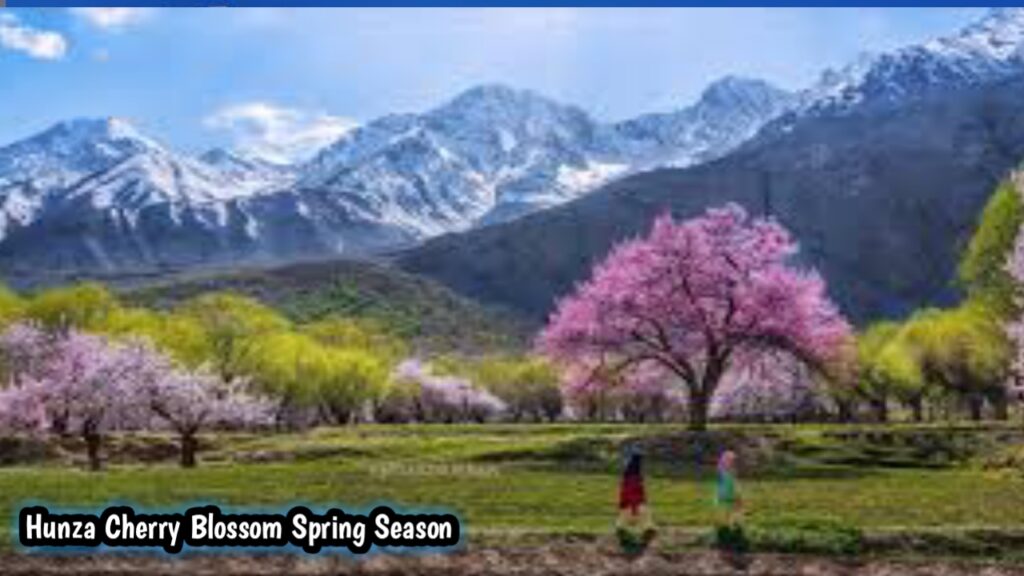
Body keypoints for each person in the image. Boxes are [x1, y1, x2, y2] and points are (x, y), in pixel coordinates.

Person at [616, 449, 656, 556]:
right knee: (643, 521)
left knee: (622, 524)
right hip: (633, 504)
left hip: (629, 503)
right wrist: (634, 506)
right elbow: (633, 493)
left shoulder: (629, 477)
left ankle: (630, 538)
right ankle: (641, 536)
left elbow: (629, 492)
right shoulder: (634, 478)